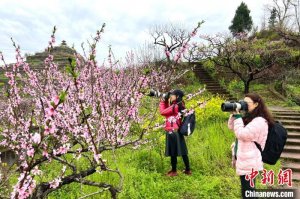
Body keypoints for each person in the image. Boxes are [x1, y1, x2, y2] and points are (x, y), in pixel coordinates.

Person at [228, 93, 274, 199]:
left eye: (246, 103)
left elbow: (242, 134)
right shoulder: (250, 117)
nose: (243, 104)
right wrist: (234, 114)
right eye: (242, 102)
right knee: (247, 191)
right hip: (245, 160)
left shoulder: (260, 121)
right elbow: (231, 127)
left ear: (256, 104)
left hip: (250, 161)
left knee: (249, 192)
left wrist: (238, 116)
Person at [159, 89, 191, 177]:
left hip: (172, 131)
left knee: (173, 151)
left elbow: (162, 112)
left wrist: (162, 101)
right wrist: (166, 101)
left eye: (172, 95)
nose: (170, 96)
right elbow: (167, 112)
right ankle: (188, 169)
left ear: (177, 96)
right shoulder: (178, 105)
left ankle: (174, 171)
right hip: (177, 130)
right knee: (183, 150)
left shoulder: (175, 106)